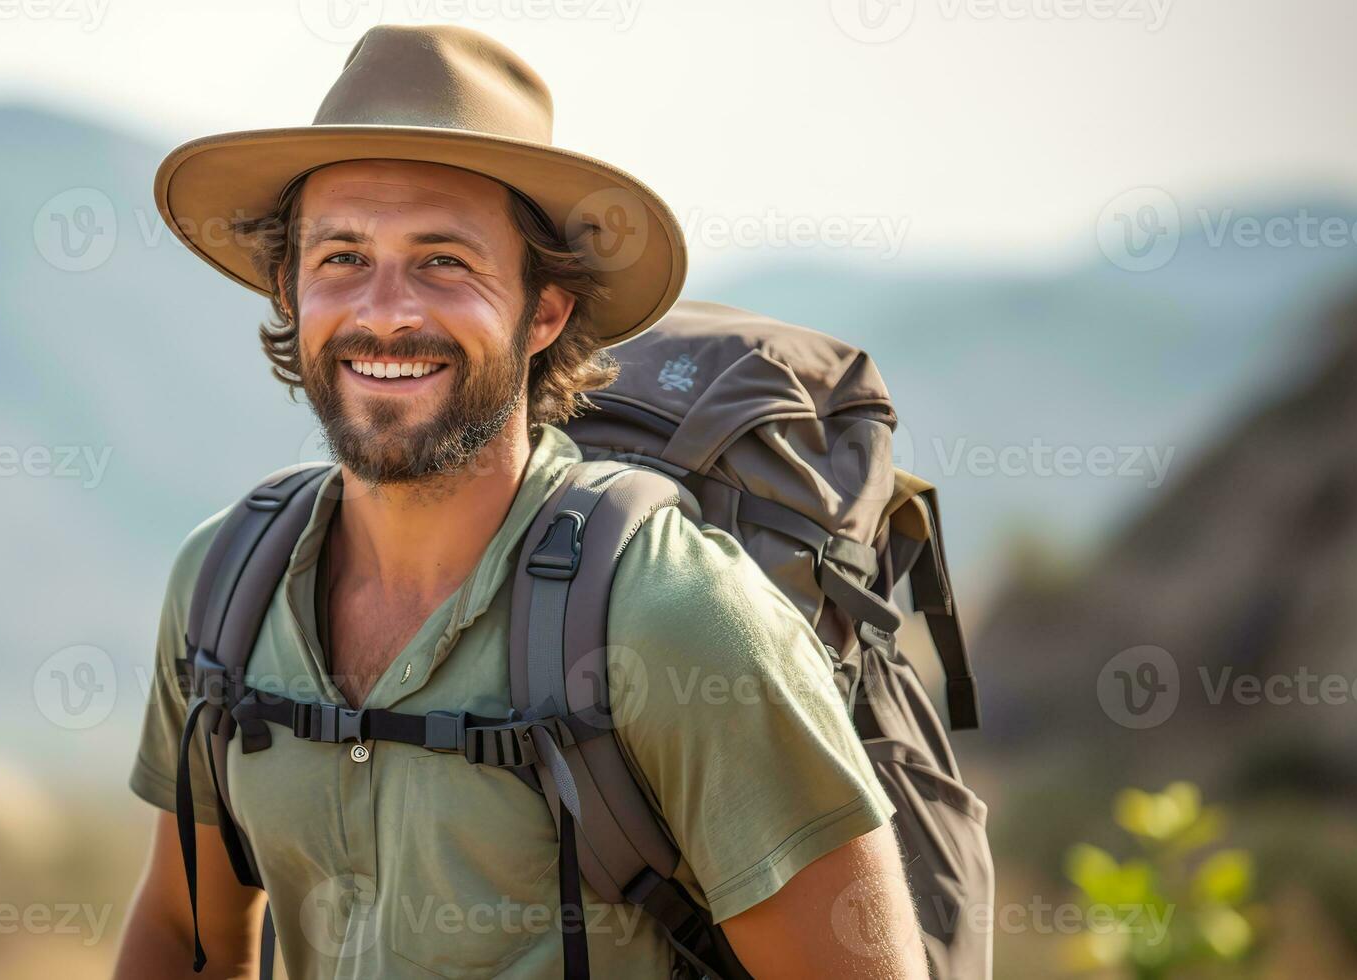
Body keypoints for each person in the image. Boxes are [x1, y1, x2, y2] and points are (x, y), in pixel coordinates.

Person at [116, 24, 926, 979]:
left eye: (444, 261)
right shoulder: (223, 587)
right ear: (289, 291)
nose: (384, 310)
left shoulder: (675, 618)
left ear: (544, 311)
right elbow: (182, 935)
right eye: (339, 257)